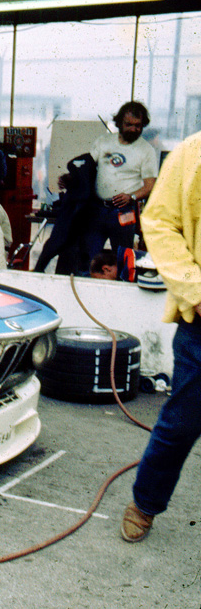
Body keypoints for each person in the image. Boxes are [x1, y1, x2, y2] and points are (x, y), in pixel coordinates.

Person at [121, 130, 201, 543]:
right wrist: (195, 288)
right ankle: (146, 503)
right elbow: (159, 222)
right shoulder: (192, 154)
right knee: (181, 422)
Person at [84, 101, 158, 263]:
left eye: (138, 126)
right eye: (129, 124)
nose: (134, 129)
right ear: (118, 123)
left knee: (123, 259)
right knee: (90, 257)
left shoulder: (146, 151)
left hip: (124, 211)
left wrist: (131, 197)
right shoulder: (103, 142)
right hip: (98, 209)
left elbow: (150, 186)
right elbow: (86, 168)